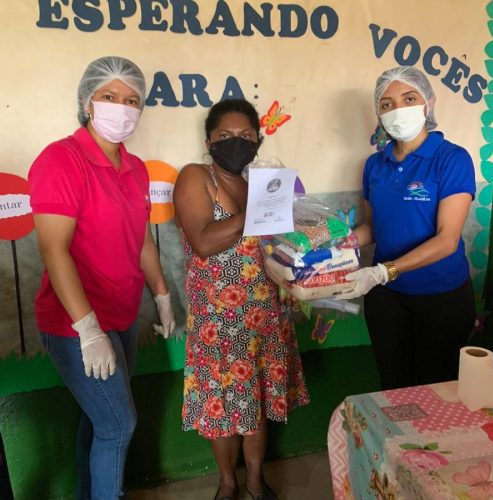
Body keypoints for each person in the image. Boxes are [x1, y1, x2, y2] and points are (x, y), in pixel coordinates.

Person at [28, 56, 175, 500]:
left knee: (100, 422)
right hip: (75, 324)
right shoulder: (61, 159)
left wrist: (163, 296)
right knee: (118, 425)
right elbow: (54, 249)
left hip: (122, 316)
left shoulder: (135, 168)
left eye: (132, 100)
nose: (122, 108)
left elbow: (142, 241)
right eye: (109, 97)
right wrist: (87, 329)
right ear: (87, 102)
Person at [174, 99, 309, 500]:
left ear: (258, 140)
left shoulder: (260, 184)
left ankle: (254, 481)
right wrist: (260, 209)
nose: (236, 143)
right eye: (226, 137)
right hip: (218, 321)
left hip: (264, 315)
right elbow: (203, 241)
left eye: (246, 136)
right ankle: (227, 483)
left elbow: (277, 245)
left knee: (257, 404)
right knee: (221, 407)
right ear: (208, 141)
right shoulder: (195, 177)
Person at [337, 66, 476, 390]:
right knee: (394, 386)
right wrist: (334, 248)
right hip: (386, 299)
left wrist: (384, 270)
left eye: (408, 98)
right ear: (379, 113)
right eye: (387, 104)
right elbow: (372, 228)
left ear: (428, 102)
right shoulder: (374, 164)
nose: (397, 110)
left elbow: (447, 239)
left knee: (437, 388)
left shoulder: (451, 159)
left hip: (441, 297)